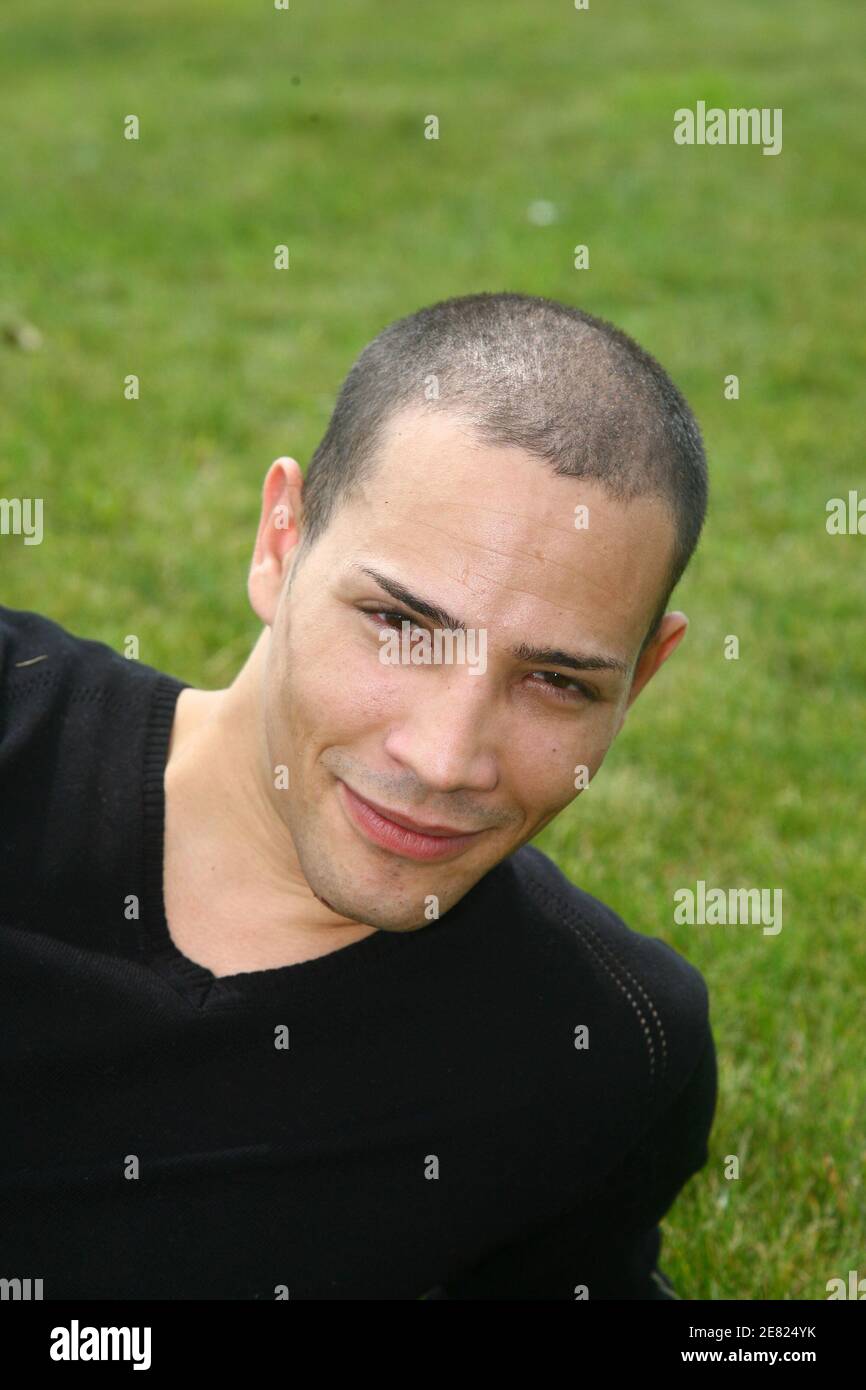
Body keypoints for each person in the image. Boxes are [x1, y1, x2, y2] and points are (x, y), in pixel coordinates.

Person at [0, 291, 717, 1300]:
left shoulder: (600, 1049)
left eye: (556, 680)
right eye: (398, 622)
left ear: (639, 678)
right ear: (279, 540)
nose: (442, 757)